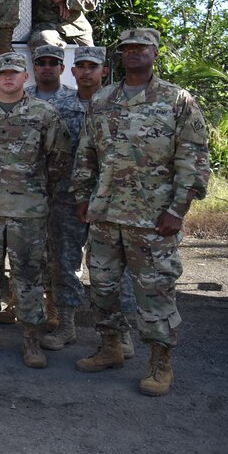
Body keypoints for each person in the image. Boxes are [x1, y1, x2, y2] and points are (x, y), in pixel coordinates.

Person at [72, 28, 210, 396]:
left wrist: (178, 210)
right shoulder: (103, 99)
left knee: (155, 292)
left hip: (152, 218)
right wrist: (81, 197)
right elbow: (86, 153)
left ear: (154, 52)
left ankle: (160, 363)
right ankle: (111, 347)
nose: (133, 53)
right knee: (102, 286)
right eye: (127, 49)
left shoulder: (176, 99)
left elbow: (193, 159)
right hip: (104, 214)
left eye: (141, 48)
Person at [0, 52, 70, 368]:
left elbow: (59, 159)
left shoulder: (44, 114)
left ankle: (31, 339)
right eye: (3, 72)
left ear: (25, 77)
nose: (8, 77)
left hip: (28, 211)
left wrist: (35, 189)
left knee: (29, 275)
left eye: (15, 73)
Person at [67, 46, 138, 358]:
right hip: (69, 196)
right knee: (65, 262)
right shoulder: (63, 102)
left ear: (104, 70)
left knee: (115, 270)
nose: (86, 72)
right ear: (73, 71)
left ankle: (121, 334)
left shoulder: (119, 102)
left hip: (114, 200)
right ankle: (65, 323)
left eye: (92, 66)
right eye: (80, 66)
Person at [25, 44, 84, 336]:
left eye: (53, 62)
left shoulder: (78, 102)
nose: (46, 67)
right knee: (32, 255)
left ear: (62, 68)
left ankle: (66, 318)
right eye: (41, 62)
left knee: (65, 257)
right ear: (34, 67)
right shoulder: (22, 101)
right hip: (30, 193)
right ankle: (34, 308)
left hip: (67, 194)